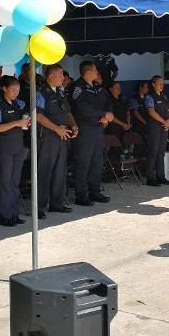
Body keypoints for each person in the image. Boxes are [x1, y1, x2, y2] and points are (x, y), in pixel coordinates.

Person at [69, 60, 114, 206]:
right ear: (88, 72)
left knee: (96, 161)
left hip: (98, 128)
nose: (97, 73)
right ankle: (81, 194)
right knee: (83, 161)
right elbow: (81, 108)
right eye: (95, 70)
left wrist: (106, 115)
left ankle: (94, 191)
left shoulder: (97, 87)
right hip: (84, 129)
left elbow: (108, 101)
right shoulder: (77, 87)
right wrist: (103, 114)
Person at [35, 64, 76, 219]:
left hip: (62, 136)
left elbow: (68, 112)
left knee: (60, 171)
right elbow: (38, 116)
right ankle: (39, 207)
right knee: (44, 171)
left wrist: (74, 125)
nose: (63, 78)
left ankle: (57, 203)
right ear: (51, 76)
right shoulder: (41, 93)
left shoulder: (61, 92)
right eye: (60, 75)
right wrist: (56, 129)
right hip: (47, 137)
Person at [0, 75, 30, 226]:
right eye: (13, 90)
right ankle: (4, 216)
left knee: (14, 181)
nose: (16, 93)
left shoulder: (18, 104)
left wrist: (25, 123)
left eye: (18, 90)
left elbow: (23, 120)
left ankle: (14, 213)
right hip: (4, 146)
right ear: (4, 89)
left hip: (18, 144)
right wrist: (17, 123)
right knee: (5, 181)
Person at [143, 75, 169, 186]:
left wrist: (168, 121)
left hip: (164, 127)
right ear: (153, 84)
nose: (162, 86)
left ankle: (161, 177)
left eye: (163, 84)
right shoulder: (149, 96)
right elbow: (151, 112)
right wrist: (164, 121)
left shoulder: (164, 97)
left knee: (161, 152)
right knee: (153, 151)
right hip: (154, 127)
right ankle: (150, 178)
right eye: (159, 83)